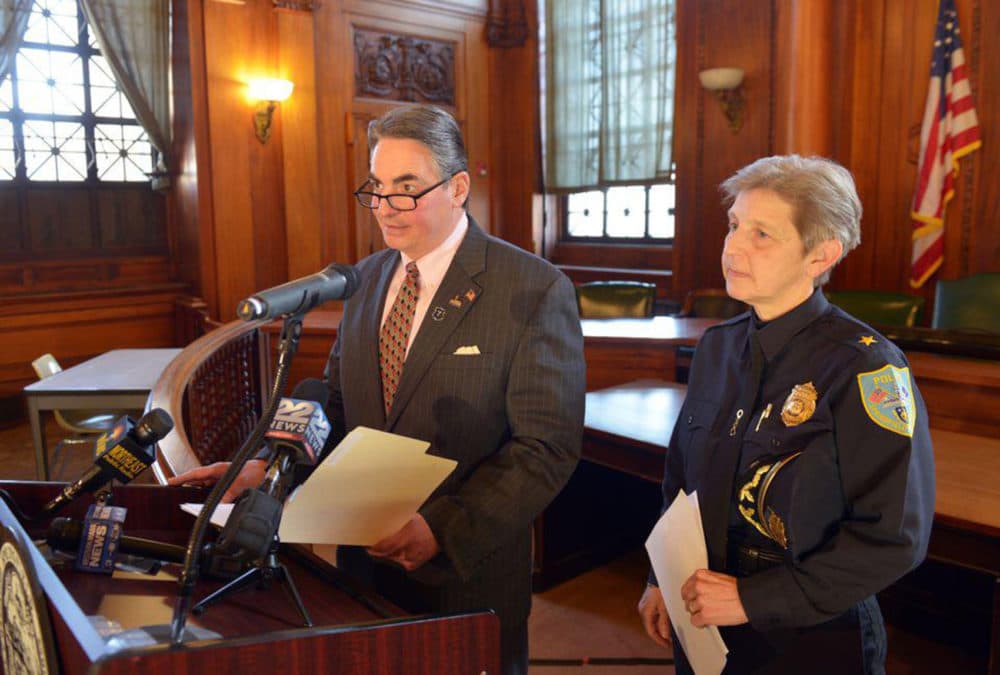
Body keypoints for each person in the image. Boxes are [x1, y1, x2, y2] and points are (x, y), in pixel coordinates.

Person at [170, 104, 585, 675]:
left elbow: (546, 448)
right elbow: (334, 404)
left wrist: (441, 529)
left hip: (464, 570)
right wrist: (265, 469)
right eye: (378, 188)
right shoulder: (365, 280)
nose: (386, 208)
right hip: (360, 565)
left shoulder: (534, 288)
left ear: (458, 186)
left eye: (407, 188)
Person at [637, 155, 935, 674]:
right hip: (704, 616)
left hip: (811, 636)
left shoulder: (866, 367)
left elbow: (893, 539)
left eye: (761, 234)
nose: (733, 246)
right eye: (734, 226)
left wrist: (753, 601)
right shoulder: (717, 347)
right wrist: (659, 575)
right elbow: (682, 479)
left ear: (820, 255)